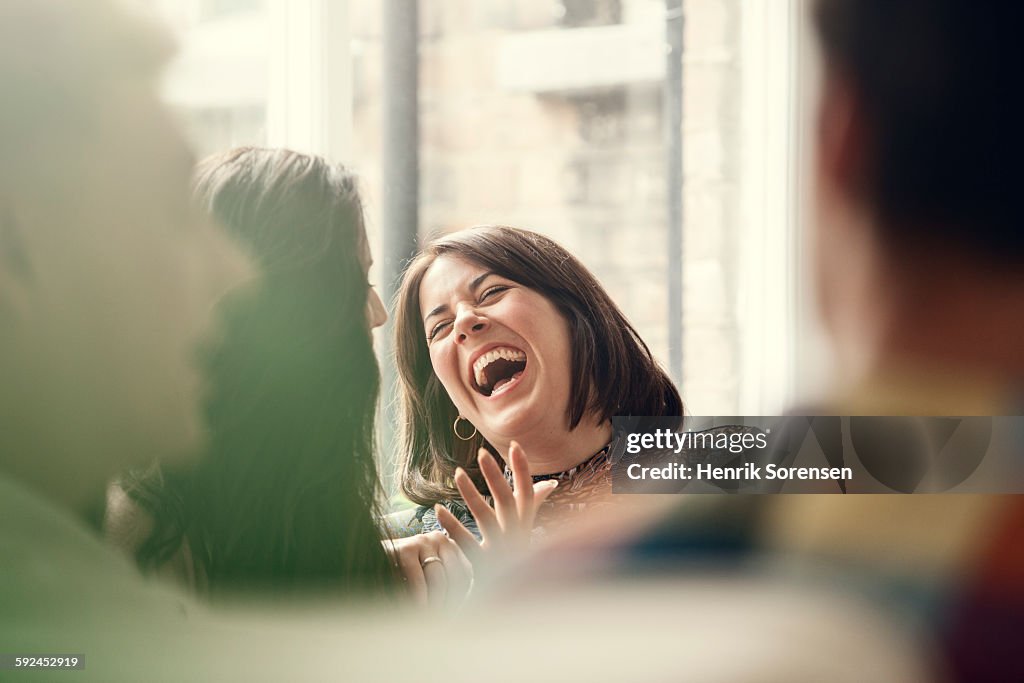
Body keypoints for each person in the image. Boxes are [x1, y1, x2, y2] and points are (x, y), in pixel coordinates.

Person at [105, 147, 404, 598]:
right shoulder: (137, 542)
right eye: (354, 285)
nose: (379, 315)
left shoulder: (296, 487)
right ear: (297, 314)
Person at [393, 225, 682, 557]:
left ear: (577, 317)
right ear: (450, 399)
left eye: (491, 293)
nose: (463, 323)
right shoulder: (412, 551)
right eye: (440, 327)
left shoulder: (728, 464)